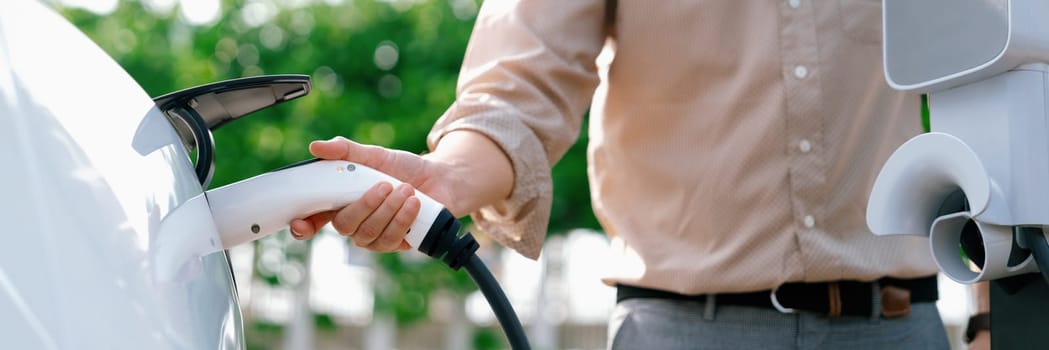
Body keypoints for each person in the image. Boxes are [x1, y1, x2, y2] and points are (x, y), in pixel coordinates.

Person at [290, 1, 954, 348]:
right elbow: (520, 85)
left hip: (901, 328)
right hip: (684, 335)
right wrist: (449, 177)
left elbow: (1002, 83)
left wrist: (993, 324)